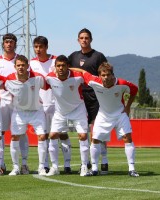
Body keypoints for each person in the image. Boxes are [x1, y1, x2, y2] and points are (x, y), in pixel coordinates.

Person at [71, 62, 139, 177]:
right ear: (99, 75)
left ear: (112, 75)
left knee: (127, 138)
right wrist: (67, 68)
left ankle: (132, 169)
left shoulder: (121, 83)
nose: (106, 77)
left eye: (108, 75)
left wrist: (127, 107)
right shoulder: (93, 81)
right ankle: (94, 169)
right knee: (95, 139)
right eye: (103, 75)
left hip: (120, 114)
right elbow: (82, 71)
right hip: (103, 115)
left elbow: (134, 90)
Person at [68, 28, 109, 174]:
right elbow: (64, 70)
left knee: (97, 130)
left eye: (86, 38)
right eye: (81, 38)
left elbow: (107, 74)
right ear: (78, 40)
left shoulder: (98, 56)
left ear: (91, 40)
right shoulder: (72, 56)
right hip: (79, 98)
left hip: (96, 97)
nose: (84, 40)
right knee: (83, 131)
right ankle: (86, 163)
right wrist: (80, 71)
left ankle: (104, 160)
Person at [30, 36, 71, 174]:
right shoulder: (31, 63)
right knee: (44, 135)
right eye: (36, 47)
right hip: (40, 105)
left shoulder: (55, 61)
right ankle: (45, 165)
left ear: (46, 47)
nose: (38, 49)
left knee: (62, 134)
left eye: (41, 47)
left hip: (57, 104)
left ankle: (67, 164)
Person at [45, 55, 90, 176]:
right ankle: (54, 167)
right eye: (58, 66)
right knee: (53, 135)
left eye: (63, 66)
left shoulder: (78, 77)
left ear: (68, 67)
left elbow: (88, 76)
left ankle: (84, 166)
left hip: (78, 109)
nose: (60, 68)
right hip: (60, 112)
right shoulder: (49, 78)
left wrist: (80, 70)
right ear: (55, 67)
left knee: (83, 135)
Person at [0, 33, 29, 174]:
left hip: (19, 103)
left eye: (11, 42)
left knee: (21, 133)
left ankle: (24, 163)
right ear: (3, 44)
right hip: (3, 102)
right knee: (0, 133)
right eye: (6, 42)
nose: (9, 44)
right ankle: (1, 164)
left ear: (15, 44)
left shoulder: (21, 61)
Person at [4, 55, 48, 176]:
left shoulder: (38, 78)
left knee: (42, 137)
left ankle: (41, 167)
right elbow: (0, 85)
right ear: (15, 67)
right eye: (18, 65)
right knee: (14, 138)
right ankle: (16, 167)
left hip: (36, 111)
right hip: (19, 112)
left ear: (28, 66)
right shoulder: (9, 80)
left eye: (23, 65)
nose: (21, 67)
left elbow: (48, 85)